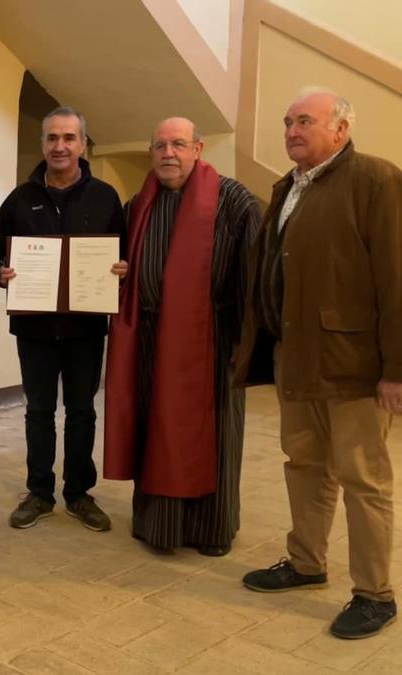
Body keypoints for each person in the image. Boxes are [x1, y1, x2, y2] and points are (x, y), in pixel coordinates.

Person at [235, 89, 402, 639]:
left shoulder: (376, 179)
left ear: (341, 128)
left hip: (353, 363)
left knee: (363, 476)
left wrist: (396, 369)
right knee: (304, 462)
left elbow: (397, 279)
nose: (291, 130)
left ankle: (375, 594)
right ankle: (307, 562)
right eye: (288, 122)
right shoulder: (288, 186)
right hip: (296, 355)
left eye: (305, 121)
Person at [104, 117, 261, 557]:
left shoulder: (233, 200)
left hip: (212, 341)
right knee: (156, 431)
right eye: (160, 146)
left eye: (178, 144)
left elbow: (251, 277)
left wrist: (244, 344)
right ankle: (158, 525)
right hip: (150, 339)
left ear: (198, 149)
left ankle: (212, 528)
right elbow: (121, 265)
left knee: (213, 436)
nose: (168, 153)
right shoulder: (138, 205)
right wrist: (119, 272)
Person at [0, 107, 126, 532]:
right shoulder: (19, 199)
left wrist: (121, 269)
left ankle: (79, 493)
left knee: (82, 412)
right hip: (34, 327)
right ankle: (40, 493)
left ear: (83, 144)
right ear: (43, 144)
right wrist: (1, 272)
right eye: (52, 138)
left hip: (86, 326)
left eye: (68, 138)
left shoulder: (105, 197)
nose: (60, 146)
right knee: (39, 411)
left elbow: (124, 253)